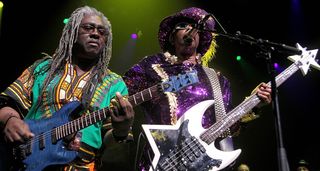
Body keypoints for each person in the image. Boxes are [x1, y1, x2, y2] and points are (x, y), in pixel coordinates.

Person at [122, 7, 272, 170]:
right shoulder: (151, 65)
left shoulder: (217, 80)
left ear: (201, 38)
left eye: (195, 27)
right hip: (160, 162)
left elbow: (226, 129)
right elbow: (119, 93)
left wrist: (254, 104)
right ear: (172, 37)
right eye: (182, 25)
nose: (189, 29)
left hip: (199, 164)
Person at [0, 6, 134, 171]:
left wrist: (121, 130)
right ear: (72, 32)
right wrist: (10, 120)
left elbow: (111, 141)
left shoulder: (115, 83)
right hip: (26, 159)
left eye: (102, 31)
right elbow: (6, 103)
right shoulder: (42, 69)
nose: (95, 34)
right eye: (88, 28)